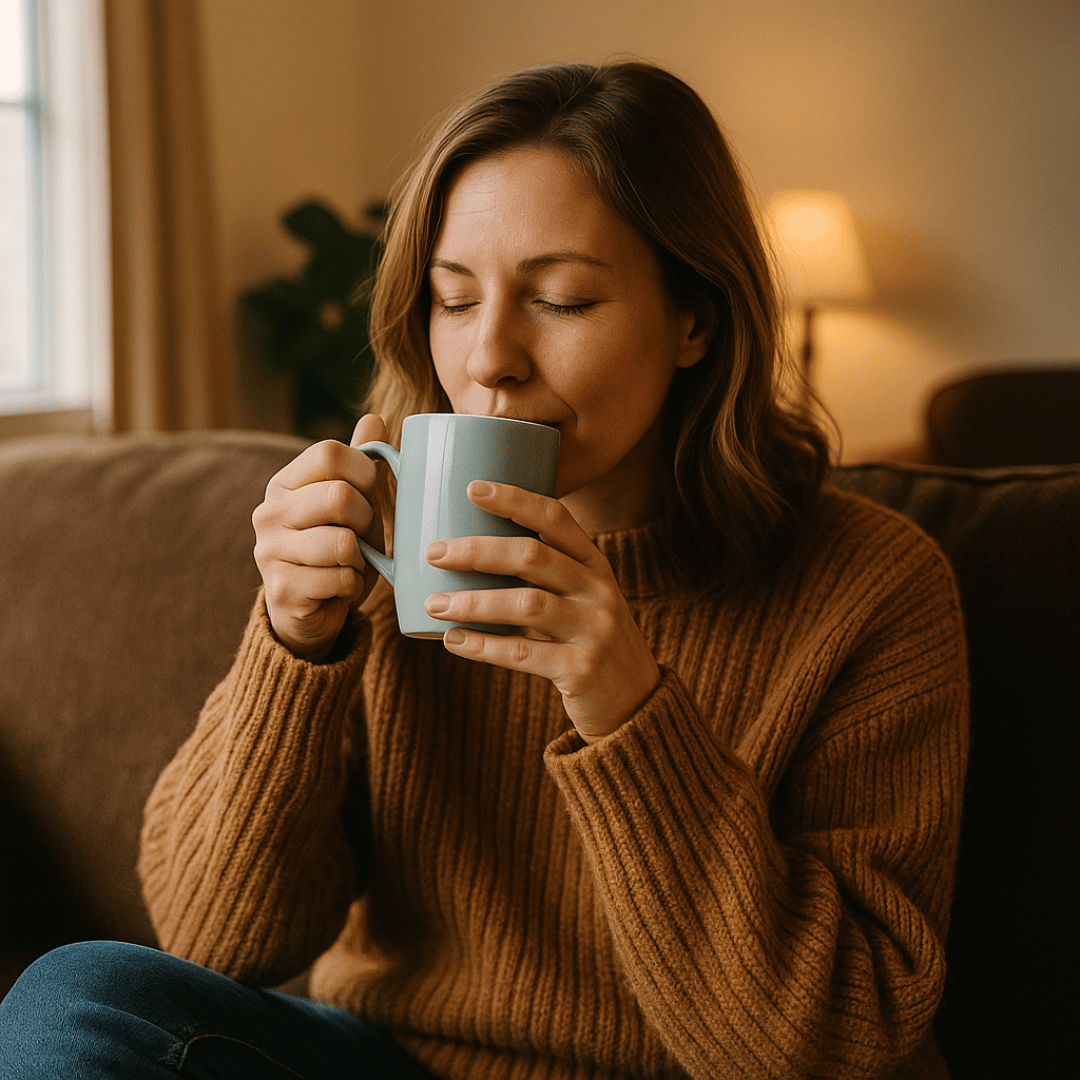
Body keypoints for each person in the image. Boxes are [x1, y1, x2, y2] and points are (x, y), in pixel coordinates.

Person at [0, 61, 968, 1080]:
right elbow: (217, 941)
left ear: (697, 319)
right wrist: (294, 643)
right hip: (395, 1061)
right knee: (83, 997)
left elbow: (824, 1047)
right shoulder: (391, 546)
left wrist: (627, 709)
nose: (490, 358)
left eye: (561, 300)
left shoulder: (872, 587)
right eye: (454, 300)